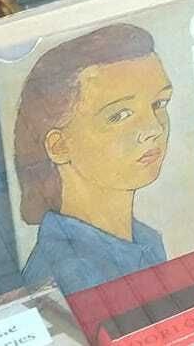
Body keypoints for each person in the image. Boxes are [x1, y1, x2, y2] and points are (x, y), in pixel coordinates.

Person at [14, 24, 172, 294]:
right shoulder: (67, 273)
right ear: (59, 146)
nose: (154, 129)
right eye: (119, 115)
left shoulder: (147, 241)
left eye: (159, 104)